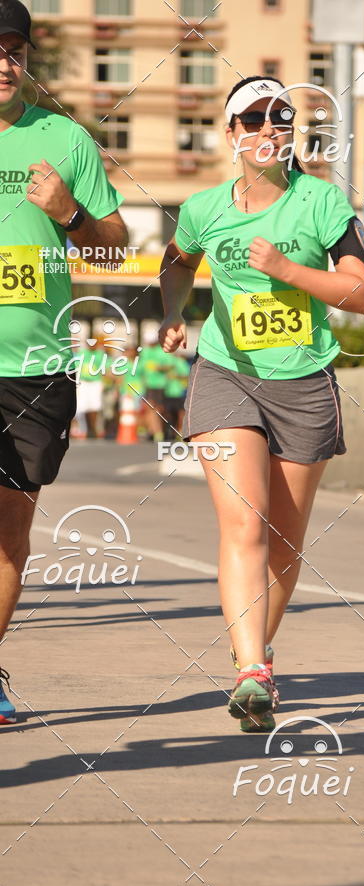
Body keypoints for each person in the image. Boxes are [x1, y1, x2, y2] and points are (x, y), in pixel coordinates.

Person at [158, 75, 364, 732]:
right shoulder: (204, 207)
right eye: (251, 120)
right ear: (230, 134)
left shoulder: (320, 204)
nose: (266, 131)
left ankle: (257, 649)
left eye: (279, 119)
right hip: (226, 374)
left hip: (304, 381)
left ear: (292, 133)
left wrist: (288, 272)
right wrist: (176, 313)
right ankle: (251, 671)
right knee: (246, 524)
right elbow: (176, 261)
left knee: (283, 542)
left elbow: (363, 292)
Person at [0, 0, 128, 724]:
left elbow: (112, 246)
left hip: (35, 363)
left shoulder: (64, 140)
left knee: (11, 531)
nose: (4, 61)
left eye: (14, 49)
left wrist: (69, 212)